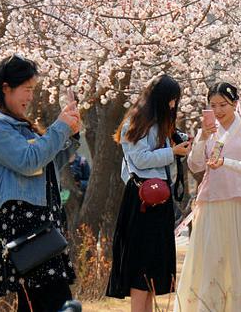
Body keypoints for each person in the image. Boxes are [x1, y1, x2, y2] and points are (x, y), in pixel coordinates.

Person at [0, 54, 83, 312]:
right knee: (56, 302)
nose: (30, 97)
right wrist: (59, 128)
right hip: (24, 226)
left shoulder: (19, 126)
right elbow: (29, 161)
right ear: (6, 88)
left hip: (39, 225)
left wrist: (71, 133)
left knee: (39, 302)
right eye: (27, 89)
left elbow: (48, 165)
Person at [107, 74, 192, 312]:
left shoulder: (159, 124)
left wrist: (177, 144)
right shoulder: (135, 123)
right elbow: (140, 159)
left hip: (159, 198)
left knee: (153, 264)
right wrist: (172, 152)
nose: (173, 105)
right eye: (171, 100)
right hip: (142, 200)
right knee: (140, 263)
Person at [175, 82, 241, 311]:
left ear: (235, 103)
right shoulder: (208, 131)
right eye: (213, 105)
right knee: (210, 261)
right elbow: (195, 164)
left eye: (223, 104)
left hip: (240, 203)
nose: (218, 110)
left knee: (239, 262)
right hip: (211, 203)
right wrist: (202, 137)